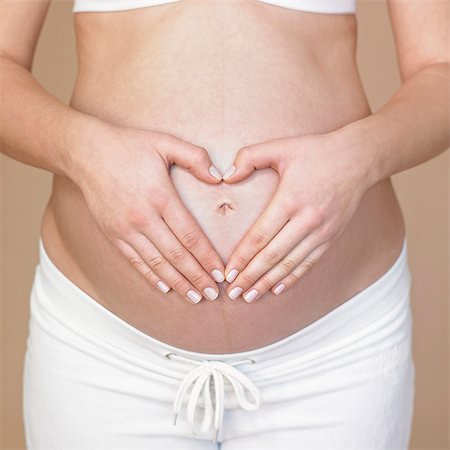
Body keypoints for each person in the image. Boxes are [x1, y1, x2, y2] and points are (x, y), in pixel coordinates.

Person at [1, 0, 448, 448]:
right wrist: (83, 150)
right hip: (105, 350)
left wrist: (359, 157)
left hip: (334, 351)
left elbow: (441, 69)